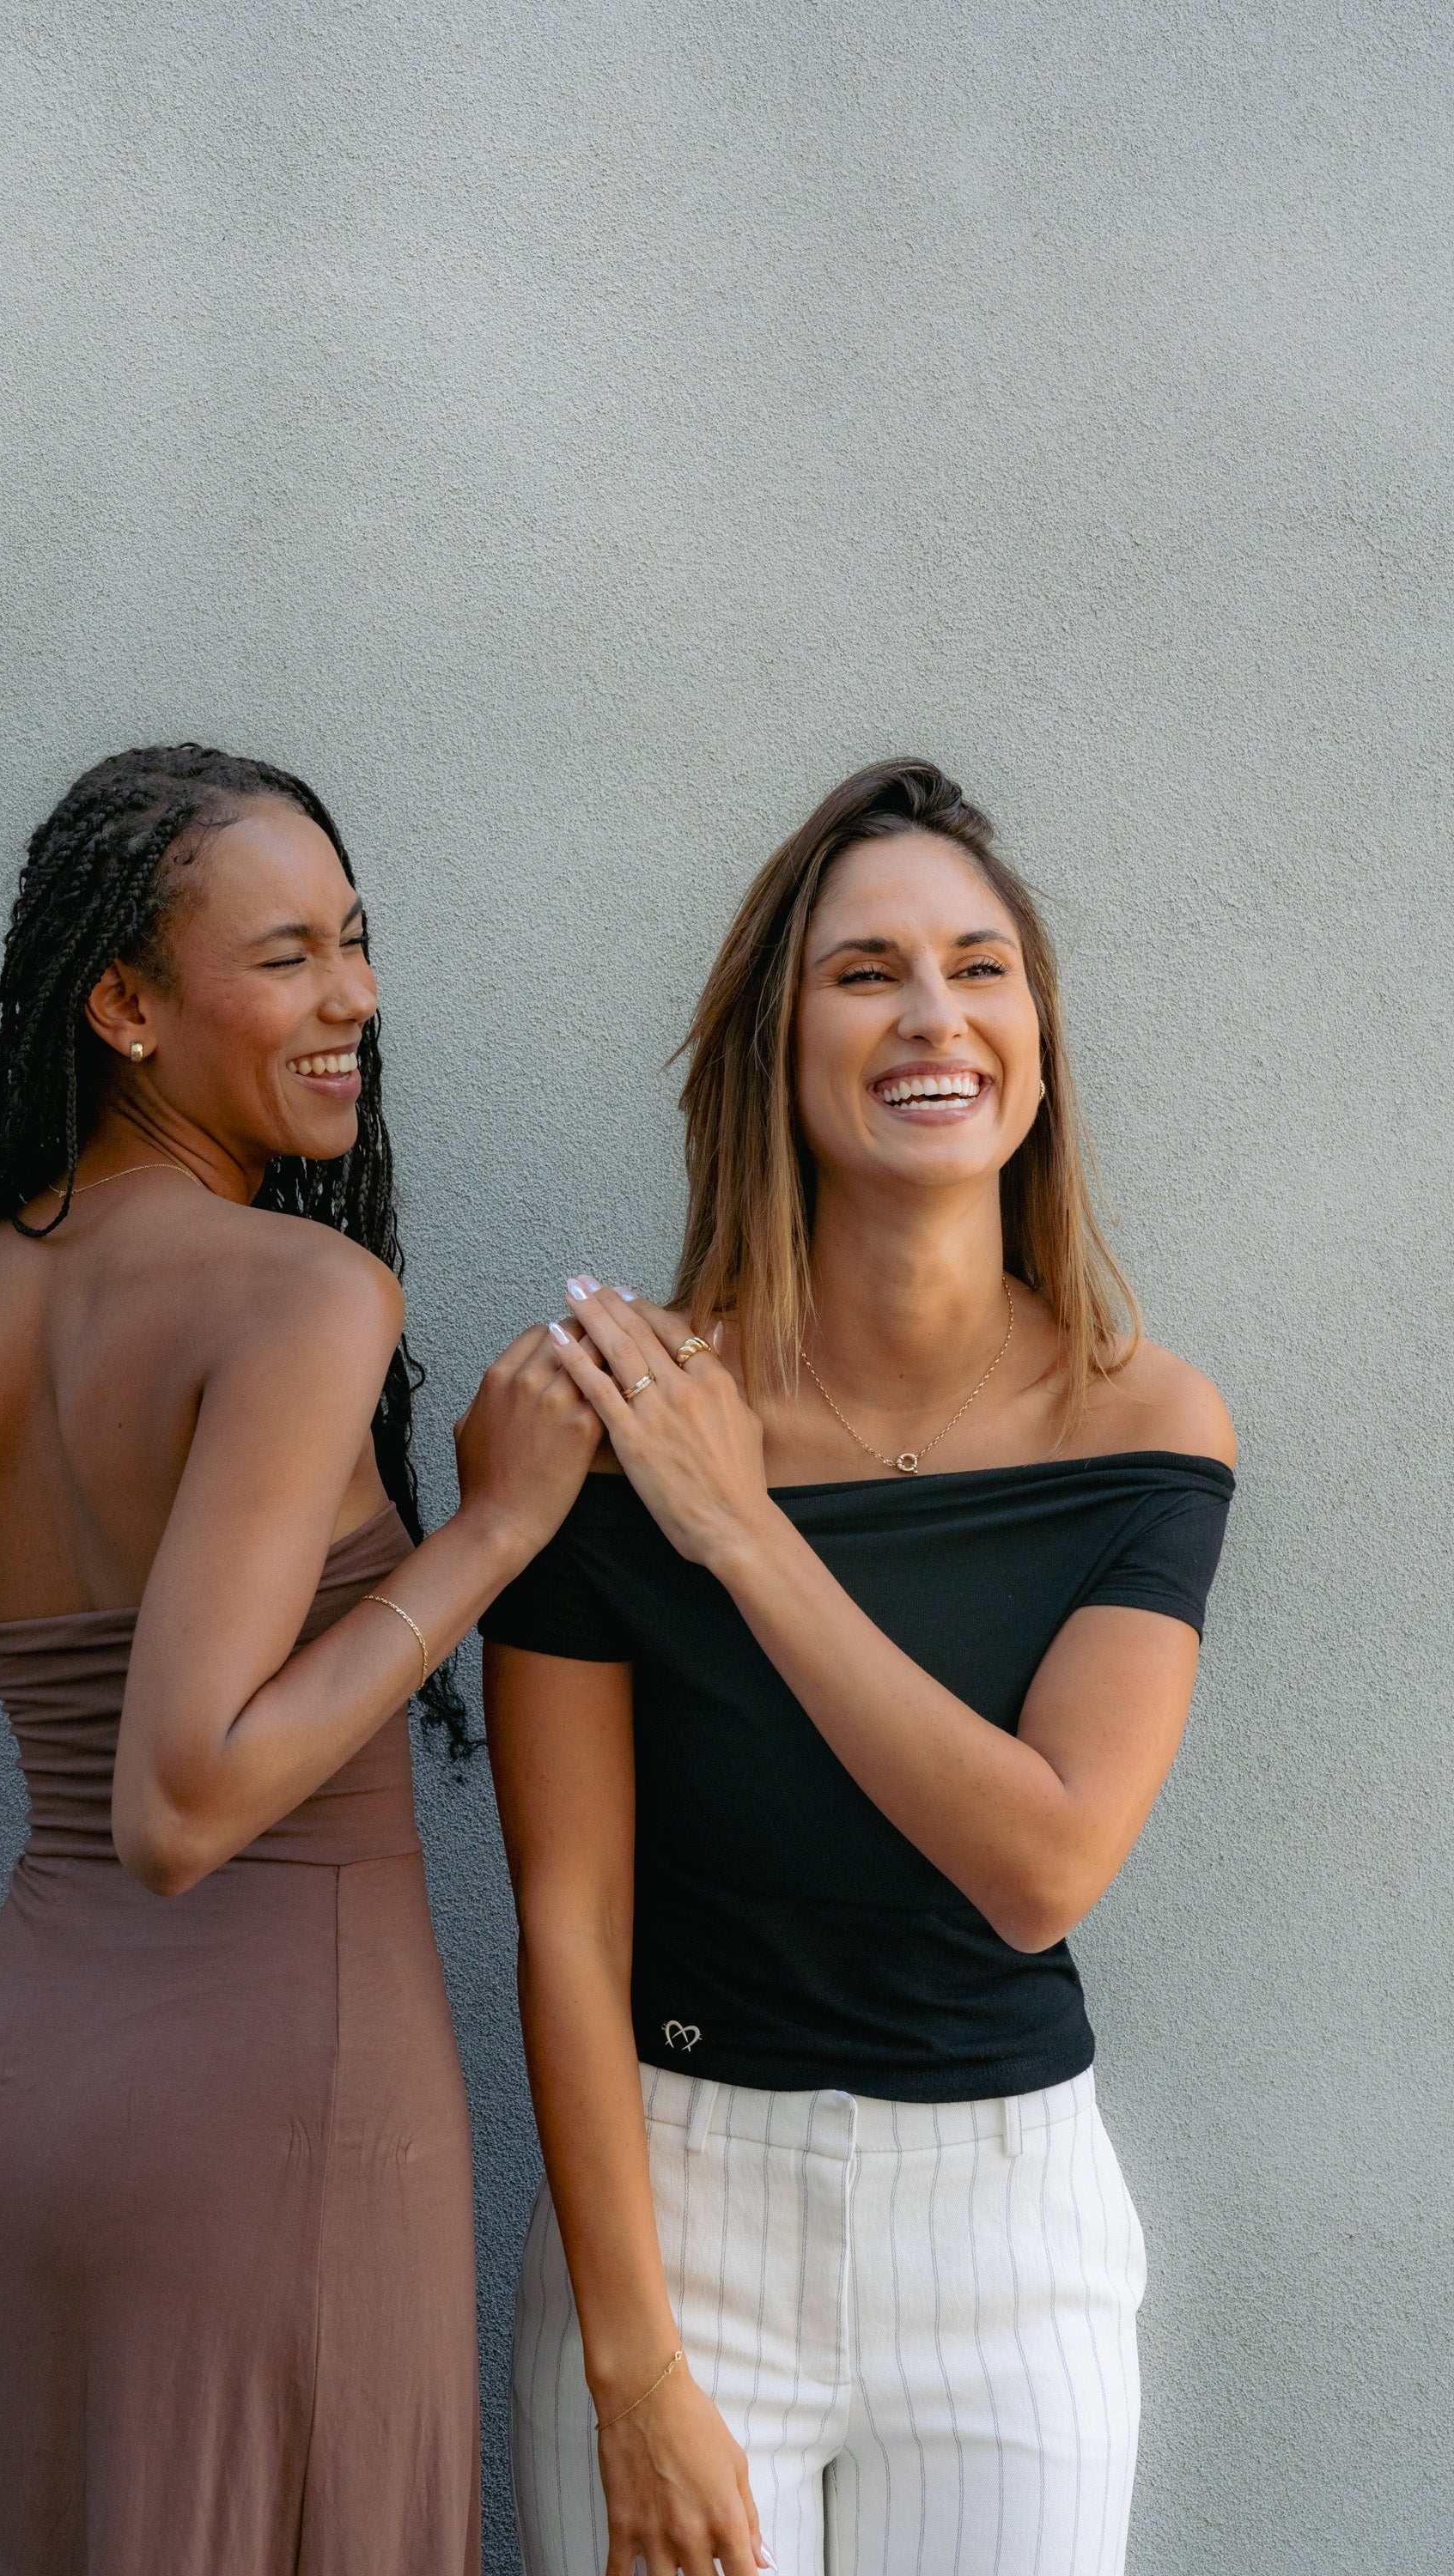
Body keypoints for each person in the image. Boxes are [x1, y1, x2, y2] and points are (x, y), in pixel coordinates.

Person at [0, 744, 599, 2576]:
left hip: (6, 2127)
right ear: (122, 1005)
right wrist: (491, 1533)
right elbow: (182, 1803)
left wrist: (40, 2106)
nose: (352, 997)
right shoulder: (300, 1292)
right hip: (284, 2136)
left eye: (353, 940)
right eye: (286, 956)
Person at [481, 758, 1236, 2576]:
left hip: (1008, 2240)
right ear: (780, 1046)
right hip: (674, 2221)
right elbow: (567, 1928)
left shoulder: (1141, 1423)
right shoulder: (614, 1419)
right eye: (864, 971)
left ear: (1035, 1046)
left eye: (980, 968)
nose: (932, 1016)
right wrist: (633, 2370)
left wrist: (742, 1532)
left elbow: (1039, 1867)